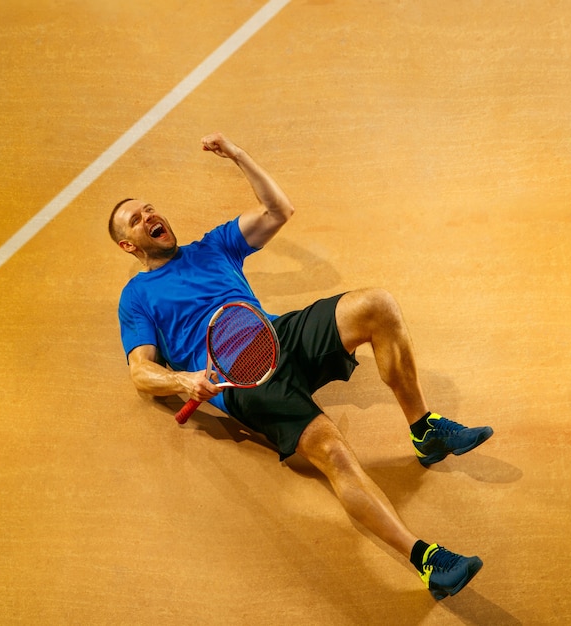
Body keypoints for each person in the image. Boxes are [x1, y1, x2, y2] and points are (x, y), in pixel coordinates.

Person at [109, 132, 494, 601]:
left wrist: (238, 156)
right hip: (242, 382)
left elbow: (279, 211)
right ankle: (425, 560)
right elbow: (139, 372)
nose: (149, 216)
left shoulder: (212, 247)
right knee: (333, 452)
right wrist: (183, 379)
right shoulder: (138, 297)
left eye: (149, 208)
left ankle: (425, 429)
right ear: (128, 245)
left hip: (277, 336)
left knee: (377, 304)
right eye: (136, 218)